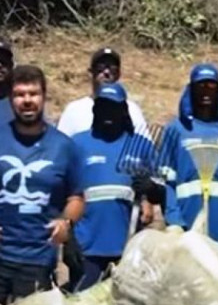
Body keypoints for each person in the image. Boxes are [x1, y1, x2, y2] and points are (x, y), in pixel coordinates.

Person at [0, 65, 84, 305]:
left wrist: (66, 222)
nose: (27, 100)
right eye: (20, 94)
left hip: (37, 260)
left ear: (44, 97)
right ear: (10, 99)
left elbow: (76, 197)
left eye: (33, 94)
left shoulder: (64, 147)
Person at [67, 82, 160, 290]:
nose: (108, 114)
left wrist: (150, 188)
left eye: (114, 108)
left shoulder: (141, 146)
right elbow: (63, 192)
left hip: (128, 247)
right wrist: (68, 239)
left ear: (124, 111)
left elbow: (162, 193)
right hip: (86, 246)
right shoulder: (77, 144)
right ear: (95, 110)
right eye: (103, 108)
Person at [160, 63, 218, 249]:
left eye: (211, 86)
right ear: (191, 90)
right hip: (187, 225)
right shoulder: (176, 130)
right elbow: (166, 184)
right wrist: (174, 221)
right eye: (200, 86)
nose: (206, 92)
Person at [56, 47, 148, 137]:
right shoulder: (74, 110)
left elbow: (143, 146)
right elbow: (60, 146)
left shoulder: (132, 110)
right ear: (90, 72)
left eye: (113, 68)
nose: (107, 72)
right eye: (100, 67)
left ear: (119, 74)